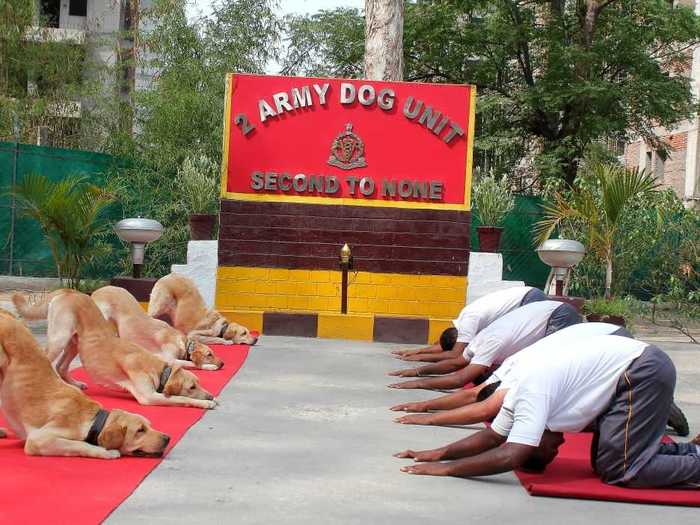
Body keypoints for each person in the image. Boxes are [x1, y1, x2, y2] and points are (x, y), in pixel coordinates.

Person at [395, 335, 700, 489]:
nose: (560, 447)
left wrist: (445, 468)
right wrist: (438, 452)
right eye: (554, 454)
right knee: (605, 462)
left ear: (532, 438)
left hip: (641, 369)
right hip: (632, 369)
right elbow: (490, 438)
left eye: (547, 452)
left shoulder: (532, 397)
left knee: (621, 470)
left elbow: (509, 454)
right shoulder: (519, 398)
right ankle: (691, 453)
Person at [390, 322, 631, 427]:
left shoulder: (521, 376)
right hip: (597, 334)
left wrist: (427, 413)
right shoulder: (508, 370)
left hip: (611, 339)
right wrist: (423, 403)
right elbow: (473, 395)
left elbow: (475, 398)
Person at [388, 300, 581, 390]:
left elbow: (459, 378)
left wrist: (417, 381)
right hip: (548, 311)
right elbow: (455, 364)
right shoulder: (477, 343)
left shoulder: (488, 343)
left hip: (556, 314)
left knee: (548, 369)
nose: (479, 368)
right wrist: (417, 370)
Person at [391, 286, 547, 363]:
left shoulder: (469, 323)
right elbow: (442, 345)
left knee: (524, 342)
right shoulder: (461, 322)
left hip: (529, 299)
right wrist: (415, 351)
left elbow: (454, 354)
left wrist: (419, 358)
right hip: (527, 294)